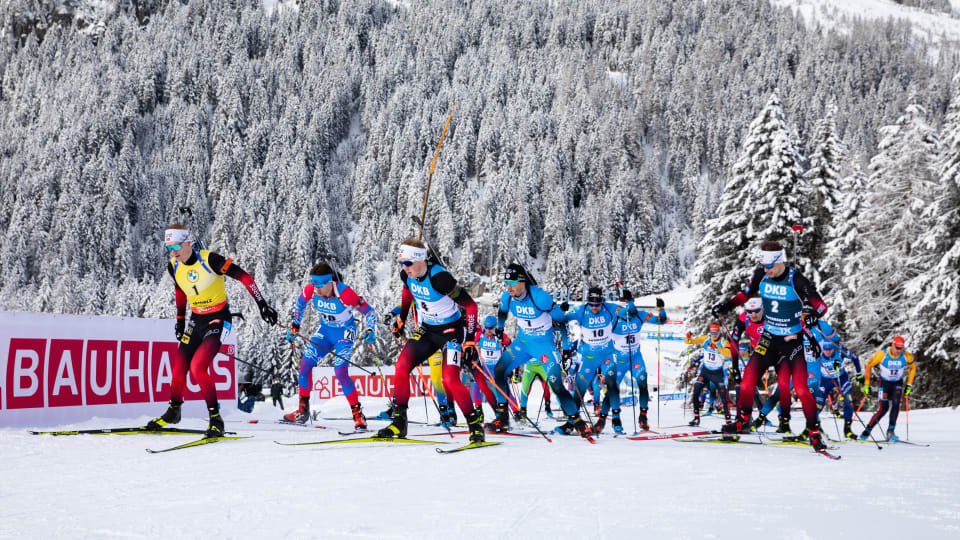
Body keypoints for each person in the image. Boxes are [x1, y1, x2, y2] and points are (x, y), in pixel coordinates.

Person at [147, 224, 278, 437]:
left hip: (219, 319)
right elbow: (180, 290)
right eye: (169, 248)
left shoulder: (210, 260)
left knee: (198, 367)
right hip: (197, 320)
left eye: (177, 246)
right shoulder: (174, 266)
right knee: (179, 366)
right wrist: (180, 320)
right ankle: (174, 410)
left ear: (188, 242)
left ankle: (216, 420)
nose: (174, 252)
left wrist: (262, 304)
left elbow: (245, 277)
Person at [712, 239, 829, 452]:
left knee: (801, 388)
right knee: (746, 383)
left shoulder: (796, 279)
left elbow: (821, 305)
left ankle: (814, 431)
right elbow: (745, 295)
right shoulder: (761, 275)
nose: (767, 270)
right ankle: (743, 421)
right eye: (764, 266)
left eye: (770, 266)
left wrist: (813, 314)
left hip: (791, 341)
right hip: (769, 337)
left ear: (780, 260)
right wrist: (727, 306)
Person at [378, 239, 488, 444]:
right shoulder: (407, 274)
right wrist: (402, 317)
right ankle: (399, 422)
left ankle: (475, 425)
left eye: (408, 263)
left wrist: (471, 341)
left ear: (421, 260)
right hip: (428, 330)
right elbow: (407, 291)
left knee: (449, 379)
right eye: (402, 262)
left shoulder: (440, 279)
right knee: (401, 366)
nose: (404, 267)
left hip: (451, 332)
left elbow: (471, 307)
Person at [488, 263, 591, 438]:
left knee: (556, 383)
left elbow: (562, 322)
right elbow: (503, 311)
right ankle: (502, 417)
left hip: (544, 345)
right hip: (523, 343)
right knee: (499, 370)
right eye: (506, 283)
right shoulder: (508, 297)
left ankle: (577, 421)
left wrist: (566, 350)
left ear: (522, 281)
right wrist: (499, 328)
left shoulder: (540, 297)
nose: (508, 287)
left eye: (512, 283)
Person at [282, 263, 376, 430]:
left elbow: (369, 312)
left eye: (319, 286)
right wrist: (295, 326)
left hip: (344, 333)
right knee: (305, 364)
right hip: (325, 331)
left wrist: (370, 330)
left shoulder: (345, 293)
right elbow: (300, 303)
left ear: (329, 283)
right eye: (314, 285)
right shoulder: (311, 289)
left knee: (340, 371)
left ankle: (357, 414)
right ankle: (302, 410)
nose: (315, 290)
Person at [597, 291, 667, 433]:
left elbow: (660, 320)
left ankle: (643, 416)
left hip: (635, 357)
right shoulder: (614, 319)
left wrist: (661, 309)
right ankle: (606, 419)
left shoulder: (639, 315)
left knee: (642, 383)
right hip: (618, 360)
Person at [564, 287, 621, 433]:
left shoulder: (610, 308)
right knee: (579, 387)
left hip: (607, 354)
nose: (595, 307)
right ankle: (571, 422)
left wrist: (629, 307)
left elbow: (625, 312)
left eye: (598, 304)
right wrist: (560, 309)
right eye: (592, 304)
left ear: (602, 301)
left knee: (612, 384)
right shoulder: (580, 310)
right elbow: (562, 317)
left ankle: (616, 419)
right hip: (589, 356)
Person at [860, 336, 916, 442]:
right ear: (892, 345)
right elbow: (869, 365)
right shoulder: (882, 354)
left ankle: (890, 432)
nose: (899, 351)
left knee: (896, 404)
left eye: (901, 348)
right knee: (883, 409)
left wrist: (909, 385)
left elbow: (913, 368)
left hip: (897, 384)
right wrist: (867, 384)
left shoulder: (906, 356)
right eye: (897, 348)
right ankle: (867, 431)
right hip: (884, 384)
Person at [684, 324, 732, 426]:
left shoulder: (724, 342)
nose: (714, 335)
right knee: (696, 391)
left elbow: (728, 354)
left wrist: (717, 348)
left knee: (724, 396)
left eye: (716, 333)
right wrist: (688, 337)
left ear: (719, 332)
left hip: (717, 373)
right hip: (705, 371)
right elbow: (689, 342)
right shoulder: (706, 339)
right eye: (712, 333)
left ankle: (728, 420)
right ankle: (696, 418)